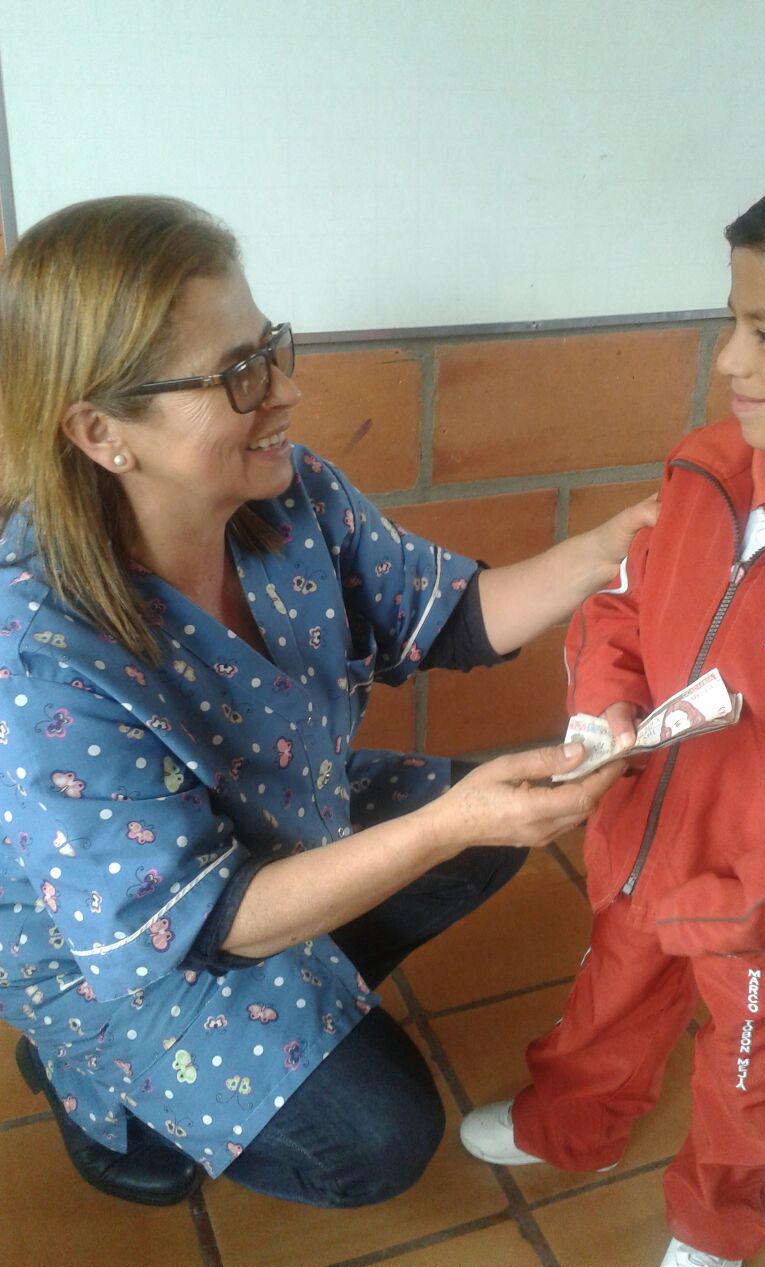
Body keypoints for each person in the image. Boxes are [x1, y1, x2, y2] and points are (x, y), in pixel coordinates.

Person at [0, 194, 658, 1208]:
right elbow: (200, 918)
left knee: (479, 836)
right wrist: (446, 822)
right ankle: (102, 1084)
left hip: (272, 834)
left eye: (270, 348)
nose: (288, 390)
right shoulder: (38, 650)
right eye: (238, 374)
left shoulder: (287, 494)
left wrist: (608, 549)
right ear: (101, 430)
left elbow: (450, 615)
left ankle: (299, 999)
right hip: (134, 946)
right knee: (379, 1140)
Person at [459, 136, 765, 1267]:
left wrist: (749, 904)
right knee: (604, 1009)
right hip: (644, 851)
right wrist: (601, 710)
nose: (729, 357)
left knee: (755, 1082)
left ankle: (716, 1226)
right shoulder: (706, 467)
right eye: (732, 320)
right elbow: (621, 607)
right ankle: (566, 1124)